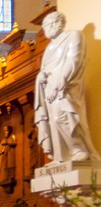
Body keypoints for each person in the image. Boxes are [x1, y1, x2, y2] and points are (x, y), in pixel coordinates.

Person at [34, 12, 100, 163]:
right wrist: (42, 77)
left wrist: (58, 83)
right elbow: (44, 70)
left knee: (63, 116)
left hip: (65, 86)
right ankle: (62, 156)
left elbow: (74, 60)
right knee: (53, 121)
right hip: (49, 89)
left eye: (46, 26)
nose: (45, 31)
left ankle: (78, 148)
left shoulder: (73, 36)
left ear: (56, 23)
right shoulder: (49, 47)